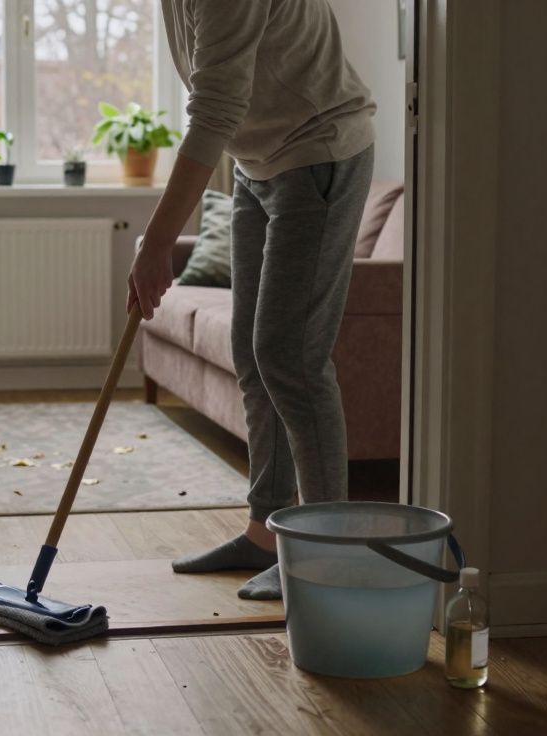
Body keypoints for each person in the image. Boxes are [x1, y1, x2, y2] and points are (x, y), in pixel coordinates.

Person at [129, 0, 376, 600]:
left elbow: (214, 109)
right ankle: (265, 533)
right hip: (255, 165)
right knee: (252, 351)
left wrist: (159, 242)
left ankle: (326, 557)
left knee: (291, 360)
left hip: (319, 152)